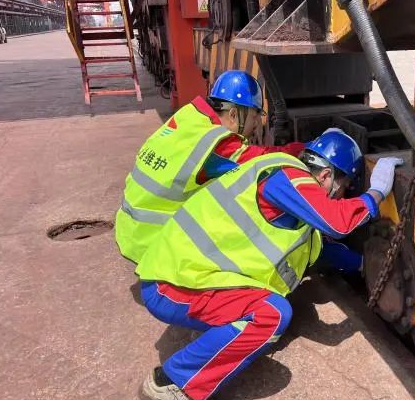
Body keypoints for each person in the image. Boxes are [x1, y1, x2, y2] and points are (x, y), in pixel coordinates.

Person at [135, 129, 403, 400]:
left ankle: (215, 339)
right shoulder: (285, 176)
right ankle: (172, 384)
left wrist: (364, 264)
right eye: (343, 189)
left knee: (271, 313)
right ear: (326, 175)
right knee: (270, 315)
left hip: (186, 278)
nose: (341, 197)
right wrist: (376, 193)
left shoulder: (292, 202)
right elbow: (337, 222)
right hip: (171, 285)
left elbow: (321, 250)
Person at [115, 70, 306, 264]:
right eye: (255, 117)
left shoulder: (188, 117)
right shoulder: (216, 144)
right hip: (154, 243)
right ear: (233, 114)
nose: (257, 124)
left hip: (130, 230)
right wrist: (303, 150)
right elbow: (264, 160)